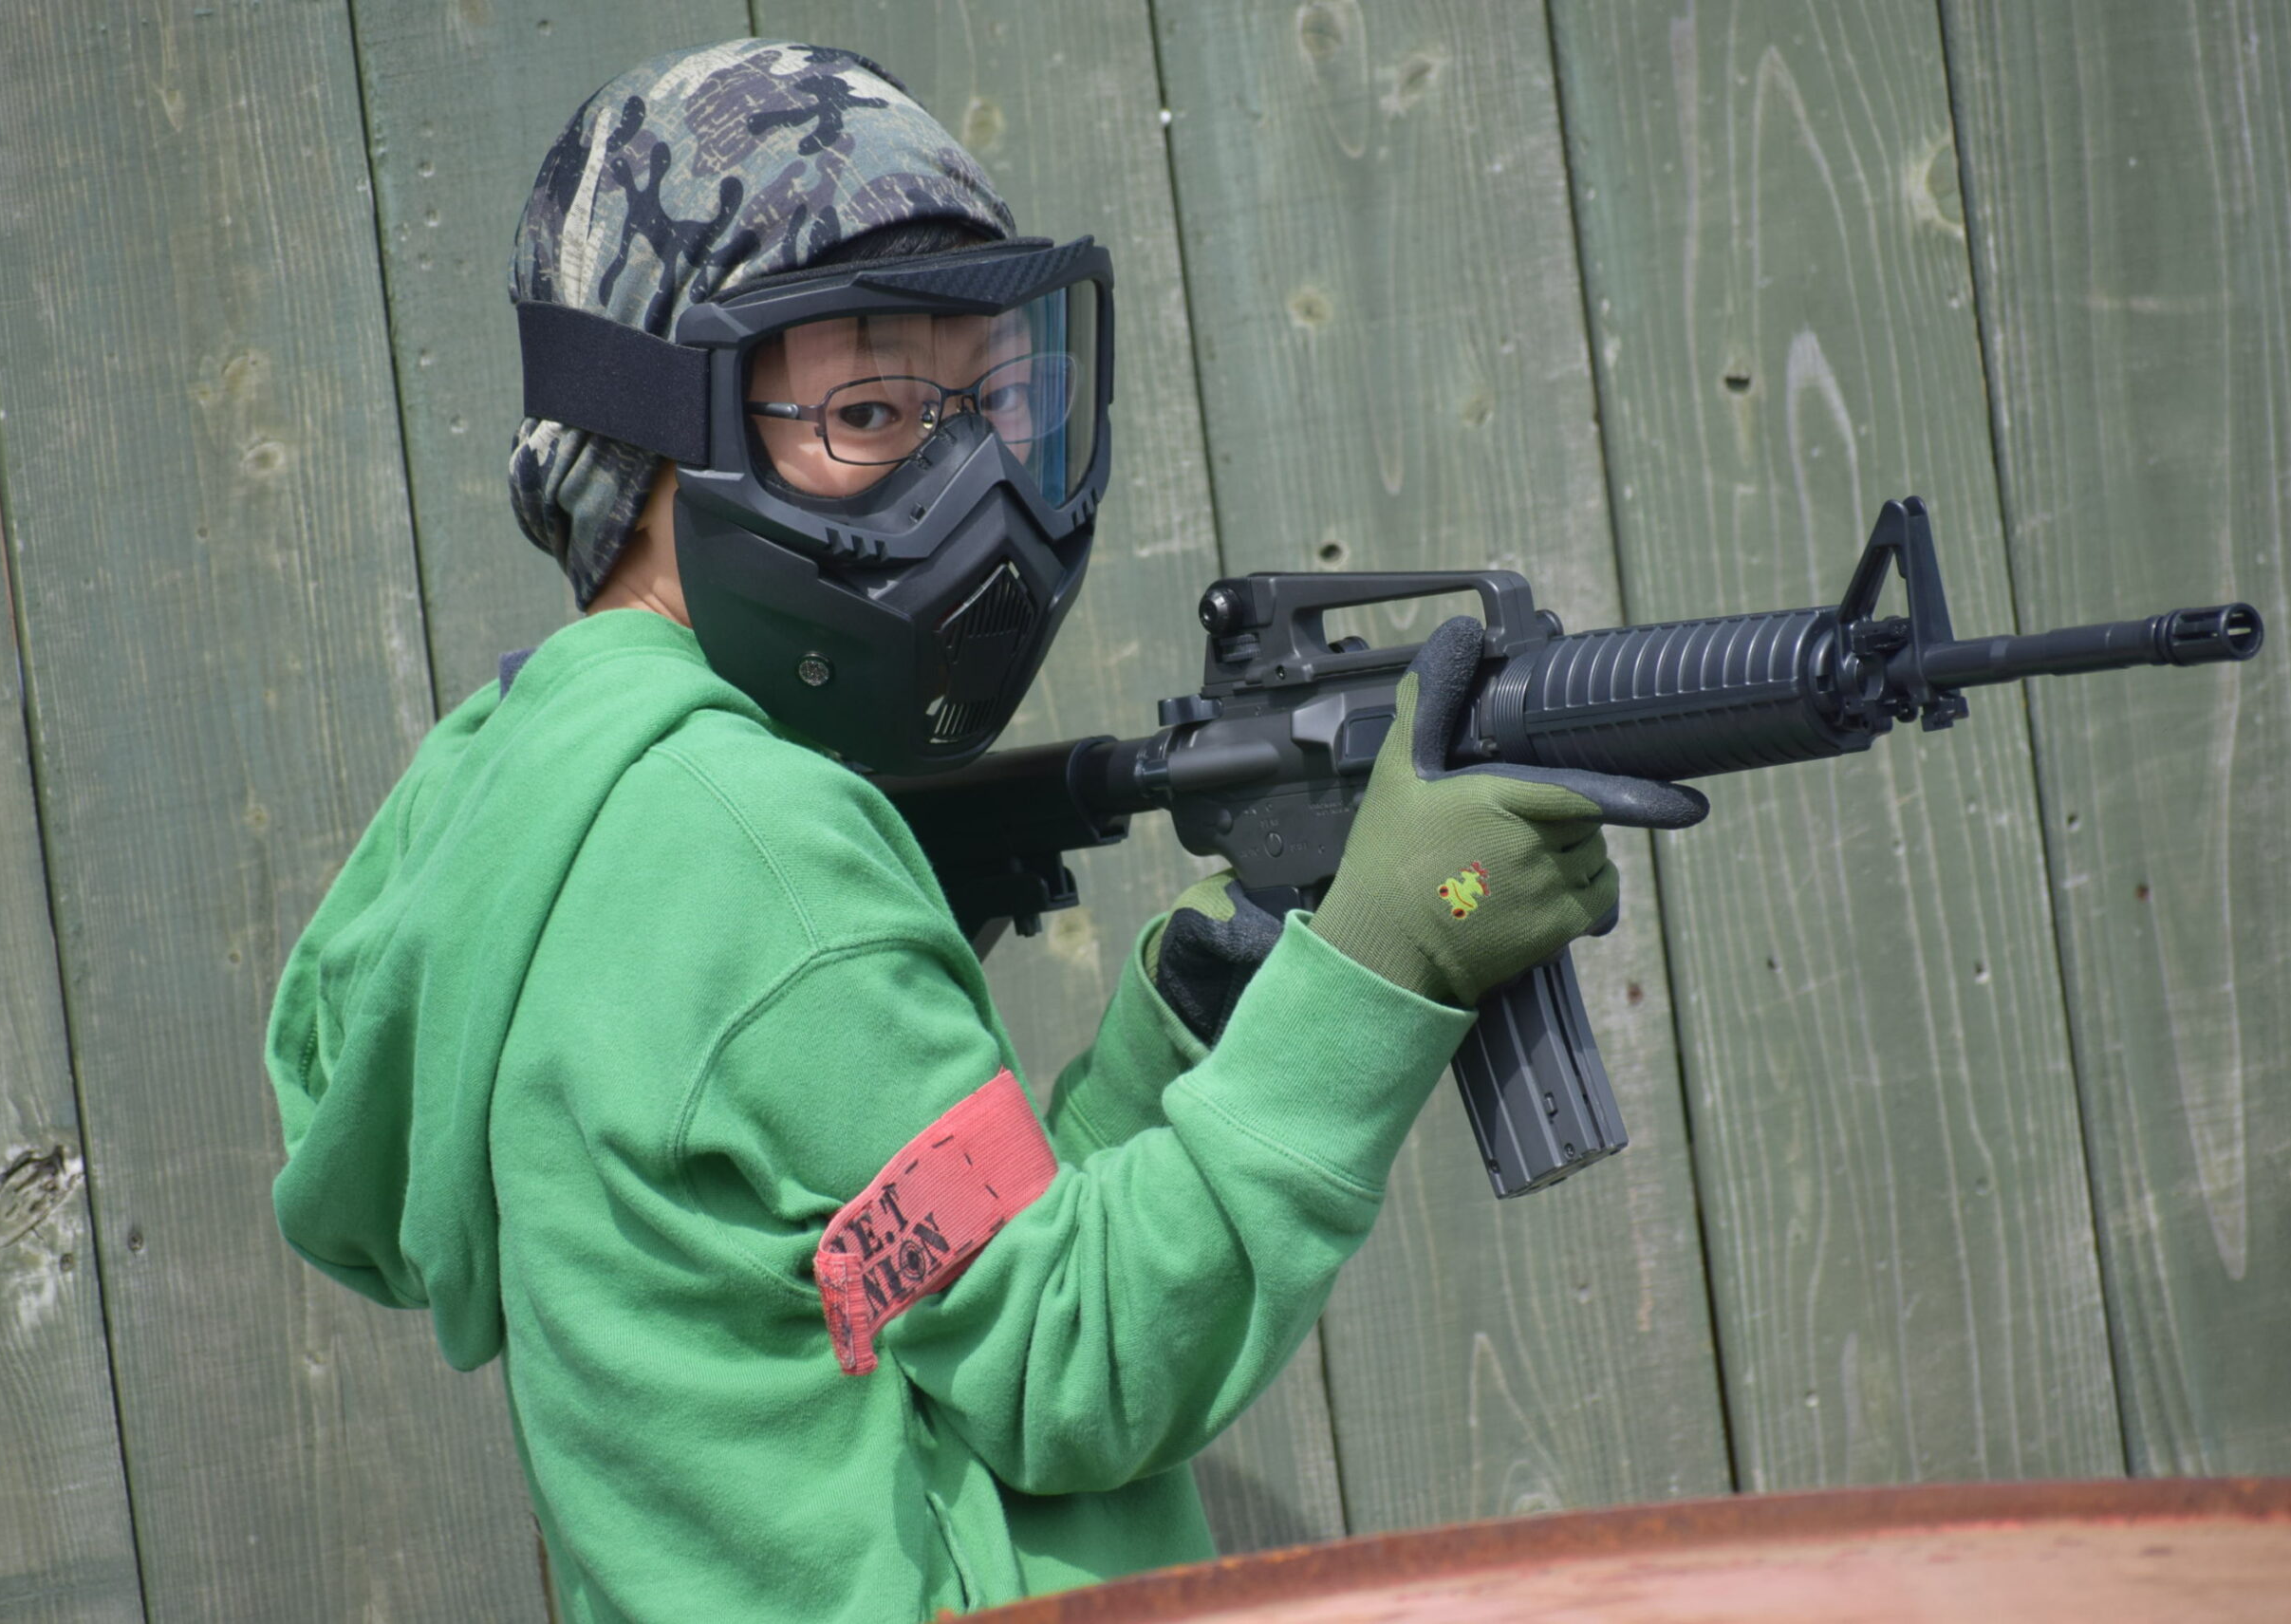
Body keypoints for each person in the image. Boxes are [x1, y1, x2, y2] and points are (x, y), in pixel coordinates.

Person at [262, 39, 1704, 1624]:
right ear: (655, 436)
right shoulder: (755, 845)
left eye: (995, 402)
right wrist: (1398, 942)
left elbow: (926, 1292)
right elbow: (1076, 1365)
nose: (971, 481)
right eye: (871, 411)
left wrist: (1198, 1015)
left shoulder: (557, 804)